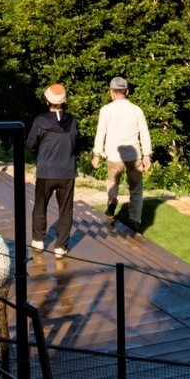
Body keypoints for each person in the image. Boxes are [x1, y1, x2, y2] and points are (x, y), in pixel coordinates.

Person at [26, 83, 81, 257]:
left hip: (46, 171)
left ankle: (38, 240)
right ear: (65, 101)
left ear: (47, 101)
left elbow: (30, 144)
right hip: (67, 171)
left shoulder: (40, 121)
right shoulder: (72, 121)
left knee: (40, 205)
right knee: (65, 209)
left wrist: (41, 155)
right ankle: (61, 247)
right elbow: (76, 145)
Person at [92, 76, 152, 231]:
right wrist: (147, 155)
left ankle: (112, 201)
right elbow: (144, 134)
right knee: (136, 190)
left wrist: (97, 154)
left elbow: (100, 133)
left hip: (113, 155)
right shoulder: (136, 110)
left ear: (111, 92)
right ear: (127, 91)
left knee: (113, 182)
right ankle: (134, 221)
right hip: (134, 156)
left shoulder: (106, 110)